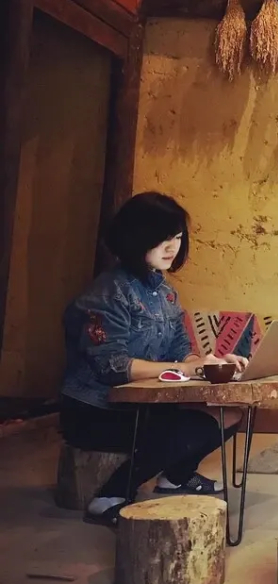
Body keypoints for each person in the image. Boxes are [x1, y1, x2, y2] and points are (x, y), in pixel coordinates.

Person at [59, 192, 247, 526]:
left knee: (231, 412)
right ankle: (109, 497)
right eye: (162, 238)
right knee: (187, 427)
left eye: (177, 237)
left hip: (143, 405)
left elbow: (180, 350)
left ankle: (175, 478)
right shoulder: (107, 293)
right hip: (96, 411)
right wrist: (185, 368)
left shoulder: (165, 293)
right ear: (135, 238)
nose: (172, 247)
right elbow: (113, 366)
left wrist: (211, 364)